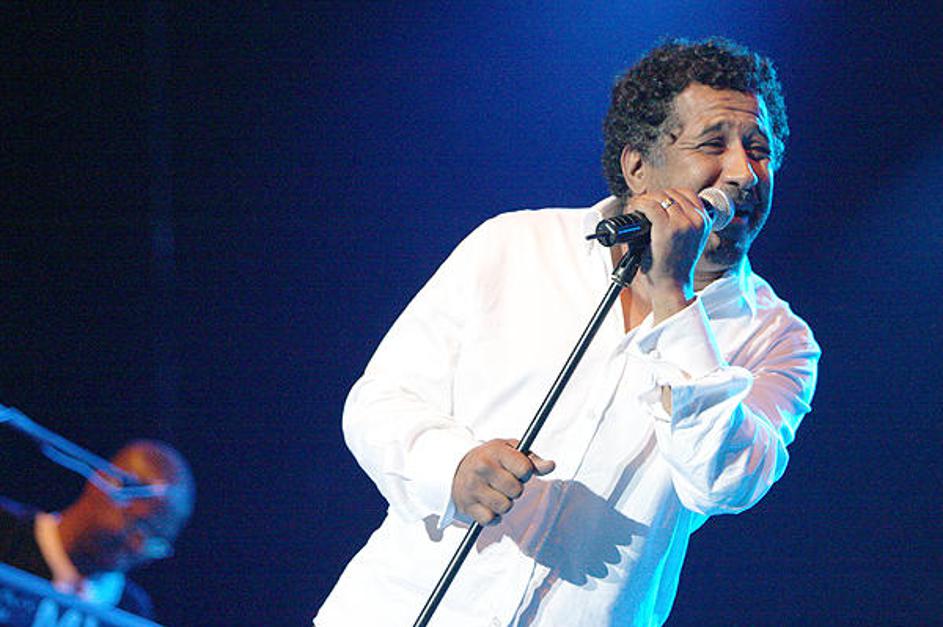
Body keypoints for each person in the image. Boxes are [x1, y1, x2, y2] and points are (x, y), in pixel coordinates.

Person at [315, 37, 820, 626]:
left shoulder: (778, 340)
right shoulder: (514, 245)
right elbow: (378, 401)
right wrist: (451, 468)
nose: (743, 173)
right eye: (714, 144)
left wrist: (674, 298)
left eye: (759, 151)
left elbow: (724, 483)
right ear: (638, 166)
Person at [0, 439, 195, 619]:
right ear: (102, 483)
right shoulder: (7, 530)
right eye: (139, 526)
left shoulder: (130, 609)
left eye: (155, 543)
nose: (137, 546)